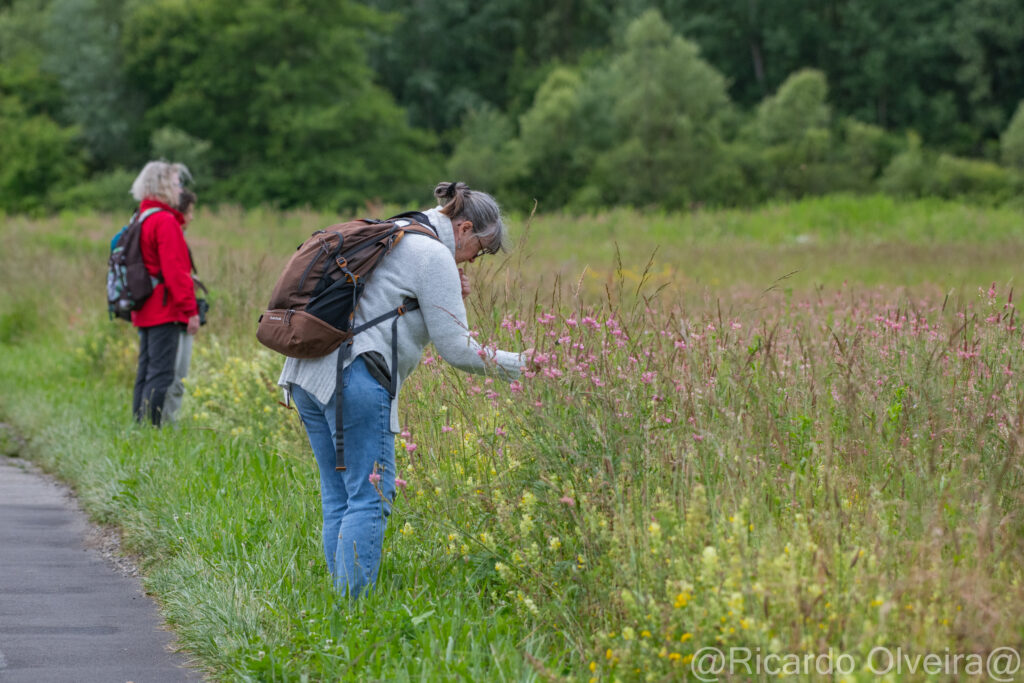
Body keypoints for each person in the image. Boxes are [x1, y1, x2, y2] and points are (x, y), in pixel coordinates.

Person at [278, 182, 525, 598]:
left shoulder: (399, 228)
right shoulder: (431, 255)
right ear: (463, 228)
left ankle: (338, 610)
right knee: (371, 498)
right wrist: (525, 367)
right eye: (478, 251)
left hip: (306, 370)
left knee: (339, 495)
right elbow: (458, 351)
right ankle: (353, 611)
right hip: (353, 376)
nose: (473, 261)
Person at [129, 161, 200, 426]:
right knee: (161, 374)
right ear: (161, 186)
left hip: (144, 304)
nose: (180, 190)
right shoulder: (165, 221)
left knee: (145, 371)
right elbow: (176, 273)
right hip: (164, 308)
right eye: (175, 183)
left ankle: (140, 426)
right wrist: (190, 311)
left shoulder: (140, 216)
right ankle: (152, 429)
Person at [162, 189, 201, 424]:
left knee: (174, 375)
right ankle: (166, 425)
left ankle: (163, 424)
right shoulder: (172, 233)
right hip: (177, 315)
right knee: (175, 376)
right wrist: (190, 311)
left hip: (174, 313)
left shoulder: (173, 234)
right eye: (190, 211)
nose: (192, 217)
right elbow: (175, 276)